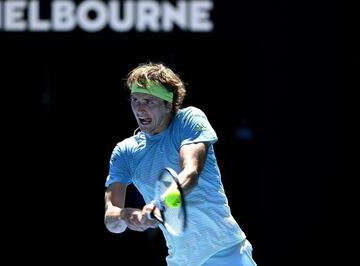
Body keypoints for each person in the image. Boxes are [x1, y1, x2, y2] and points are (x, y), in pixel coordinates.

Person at [104, 62, 257, 266]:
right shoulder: (124, 152)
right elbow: (111, 218)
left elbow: (190, 174)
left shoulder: (189, 120)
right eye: (135, 100)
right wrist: (125, 215)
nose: (139, 108)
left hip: (226, 253)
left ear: (169, 104)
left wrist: (161, 204)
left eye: (149, 101)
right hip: (181, 261)